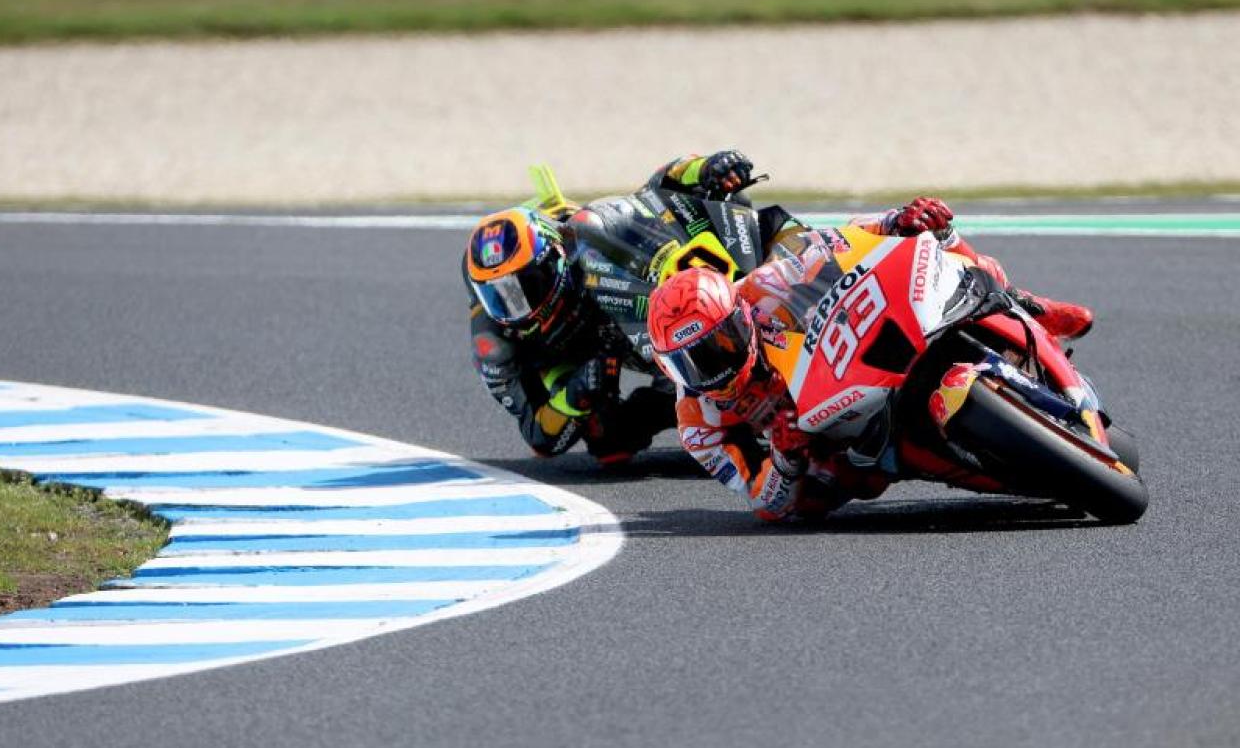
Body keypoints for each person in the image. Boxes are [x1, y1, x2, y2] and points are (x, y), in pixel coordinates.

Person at [646, 194, 1094, 522]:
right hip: (827, 439)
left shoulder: (763, 286)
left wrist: (899, 219)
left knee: (949, 253)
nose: (714, 365)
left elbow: (838, 241)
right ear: (669, 366)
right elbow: (765, 501)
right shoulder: (697, 423)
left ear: (739, 316)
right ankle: (1013, 479)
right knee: (822, 496)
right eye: (693, 361)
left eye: (720, 343)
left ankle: (1028, 304)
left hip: (849, 356)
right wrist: (784, 457)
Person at [463, 151, 762, 463]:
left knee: (730, 201)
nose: (516, 306)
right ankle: (682, 404)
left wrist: (705, 168)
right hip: (576, 362)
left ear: (553, 260)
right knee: (609, 440)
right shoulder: (494, 343)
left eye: (527, 286)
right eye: (497, 295)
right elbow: (539, 438)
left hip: (622, 316)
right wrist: (576, 396)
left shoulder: (583, 238)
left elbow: (655, 192)